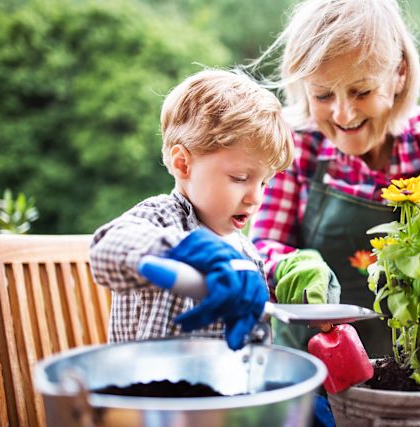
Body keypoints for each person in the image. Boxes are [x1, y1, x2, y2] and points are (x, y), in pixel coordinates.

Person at [249, 0, 420, 359]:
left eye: (362, 91)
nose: (343, 113)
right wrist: (290, 266)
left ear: (399, 73)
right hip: (311, 369)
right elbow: (260, 250)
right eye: (323, 94)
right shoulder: (297, 142)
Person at [89, 68, 304, 351]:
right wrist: (191, 248)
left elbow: (251, 343)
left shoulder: (245, 253)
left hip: (219, 392)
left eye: (264, 182)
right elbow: (105, 249)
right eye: (240, 178)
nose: (255, 198)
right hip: (151, 390)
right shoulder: (164, 218)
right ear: (183, 164)